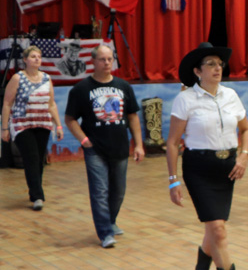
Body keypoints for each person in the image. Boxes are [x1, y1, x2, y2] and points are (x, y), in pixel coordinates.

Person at [166, 43, 248, 270]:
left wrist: (244, 156)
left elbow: (247, 129)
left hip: (227, 169)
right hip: (198, 168)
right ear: (197, 71)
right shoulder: (186, 99)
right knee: (218, 229)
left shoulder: (231, 95)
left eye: (219, 63)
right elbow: (171, 143)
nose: (218, 68)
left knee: (214, 228)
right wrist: (173, 180)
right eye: (211, 64)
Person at [64, 44, 144, 248]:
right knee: (99, 191)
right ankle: (105, 233)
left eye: (110, 59)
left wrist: (138, 144)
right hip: (95, 150)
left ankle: (111, 221)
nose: (107, 63)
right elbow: (70, 119)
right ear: (93, 61)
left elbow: (133, 116)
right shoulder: (81, 89)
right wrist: (84, 140)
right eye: (102, 59)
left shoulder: (123, 86)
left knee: (118, 191)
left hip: (120, 148)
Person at [2, 45, 64, 210]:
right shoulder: (17, 78)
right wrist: (4, 128)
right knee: (31, 157)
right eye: (33, 56)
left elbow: (51, 104)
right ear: (25, 60)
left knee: (38, 161)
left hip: (43, 122)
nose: (37, 59)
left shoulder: (46, 78)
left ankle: (34, 192)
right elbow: (7, 104)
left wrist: (58, 125)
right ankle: (38, 196)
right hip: (22, 124)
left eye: (39, 56)